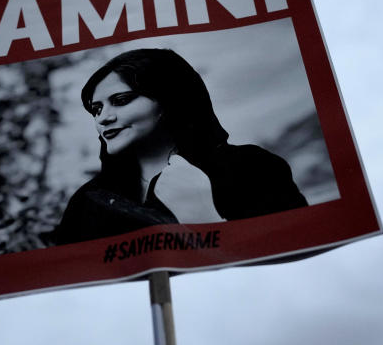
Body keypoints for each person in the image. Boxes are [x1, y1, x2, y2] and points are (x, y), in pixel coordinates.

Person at [49, 48, 307, 245]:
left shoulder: (253, 168)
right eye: (96, 109)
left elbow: (295, 258)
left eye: (121, 100)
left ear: (169, 99)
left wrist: (205, 216)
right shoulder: (88, 200)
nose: (103, 118)